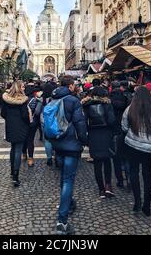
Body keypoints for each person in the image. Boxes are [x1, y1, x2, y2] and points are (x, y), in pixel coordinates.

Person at [49, 76, 88, 236]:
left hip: (58, 144)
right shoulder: (73, 101)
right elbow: (80, 123)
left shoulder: (53, 99)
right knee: (68, 180)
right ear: (70, 86)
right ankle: (62, 222)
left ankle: (69, 202)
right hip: (72, 146)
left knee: (64, 177)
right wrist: (85, 141)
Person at [122, 86, 151, 217]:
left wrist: (131, 133)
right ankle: (146, 206)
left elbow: (124, 127)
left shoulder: (129, 109)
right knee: (147, 175)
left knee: (134, 173)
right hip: (150, 149)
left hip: (133, 146)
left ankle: (137, 202)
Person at [83, 87, 116, 198]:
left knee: (97, 163)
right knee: (107, 161)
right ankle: (108, 186)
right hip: (106, 134)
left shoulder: (87, 105)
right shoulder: (107, 104)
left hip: (93, 135)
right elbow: (112, 120)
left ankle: (101, 189)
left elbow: (84, 122)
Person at [1, 81, 30, 187]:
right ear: (18, 88)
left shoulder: (6, 99)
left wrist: (9, 119)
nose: (24, 88)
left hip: (10, 126)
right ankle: (16, 176)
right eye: (22, 87)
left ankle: (12, 171)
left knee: (13, 148)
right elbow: (24, 115)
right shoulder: (22, 100)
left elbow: (2, 113)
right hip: (21, 126)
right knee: (18, 149)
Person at [110, 81, 130, 188]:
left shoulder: (109, 100)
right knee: (126, 156)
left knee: (116, 158)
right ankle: (129, 177)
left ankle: (120, 180)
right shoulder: (127, 100)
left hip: (114, 132)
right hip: (125, 131)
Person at [22, 87, 43, 167]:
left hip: (23, 123)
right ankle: (30, 158)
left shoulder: (22, 100)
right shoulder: (35, 100)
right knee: (30, 140)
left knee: (23, 139)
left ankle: (24, 154)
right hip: (33, 123)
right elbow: (37, 112)